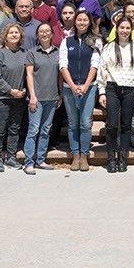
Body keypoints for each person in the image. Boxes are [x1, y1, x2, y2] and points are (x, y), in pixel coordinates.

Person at [99, 18, 134, 173]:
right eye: (122, 28)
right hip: (112, 87)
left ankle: (123, 158)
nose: (125, 31)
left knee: (126, 125)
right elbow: (102, 70)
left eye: (127, 28)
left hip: (131, 88)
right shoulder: (109, 47)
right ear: (116, 29)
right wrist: (102, 92)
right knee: (112, 124)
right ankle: (111, 158)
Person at [59, 9, 100, 171]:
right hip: (69, 88)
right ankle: (75, 155)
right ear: (74, 22)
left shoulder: (95, 41)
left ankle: (84, 155)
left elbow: (95, 64)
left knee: (85, 123)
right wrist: (73, 85)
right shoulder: (66, 41)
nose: (82, 23)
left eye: (85, 20)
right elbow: (63, 65)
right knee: (73, 123)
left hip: (89, 87)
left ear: (89, 22)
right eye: (79, 20)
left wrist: (84, 85)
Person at [0, 23, 31, 172]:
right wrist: (10, 90)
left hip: (18, 98)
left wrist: (24, 89)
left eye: (16, 33)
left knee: (14, 129)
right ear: (5, 37)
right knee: (0, 130)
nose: (14, 35)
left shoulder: (24, 53)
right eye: (10, 33)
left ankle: (11, 157)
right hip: (0, 98)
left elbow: (28, 74)